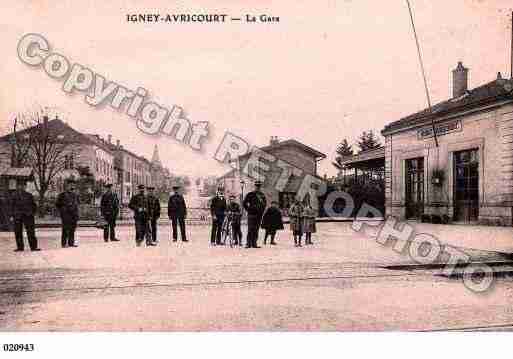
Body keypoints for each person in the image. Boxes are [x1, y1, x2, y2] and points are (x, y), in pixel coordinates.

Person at [9, 180, 39, 252]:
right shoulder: (14, 195)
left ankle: (33, 247)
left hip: (28, 215)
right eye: (20, 186)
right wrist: (11, 215)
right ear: (17, 187)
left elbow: (34, 205)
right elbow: (11, 206)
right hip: (17, 215)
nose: (22, 187)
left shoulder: (29, 195)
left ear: (25, 187)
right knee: (18, 232)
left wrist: (32, 213)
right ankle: (20, 247)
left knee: (31, 232)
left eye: (24, 186)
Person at [56, 179, 80, 248]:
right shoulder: (62, 195)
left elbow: (76, 205)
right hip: (66, 215)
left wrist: (77, 215)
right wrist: (63, 210)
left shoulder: (75, 195)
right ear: (66, 186)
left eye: (72, 185)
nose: (71, 187)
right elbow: (57, 204)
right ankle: (64, 243)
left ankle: (71, 243)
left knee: (72, 229)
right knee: (65, 229)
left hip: (73, 215)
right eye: (69, 185)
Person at [242, 180, 267, 248]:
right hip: (251, 214)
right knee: (250, 229)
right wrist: (248, 210)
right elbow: (244, 203)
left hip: (259, 215)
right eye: (256, 186)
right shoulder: (250, 194)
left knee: (256, 229)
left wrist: (262, 212)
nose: (258, 187)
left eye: (259, 186)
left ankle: (254, 243)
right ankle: (248, 243)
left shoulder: (262, 195)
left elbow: (264, 204)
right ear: (254, 186)